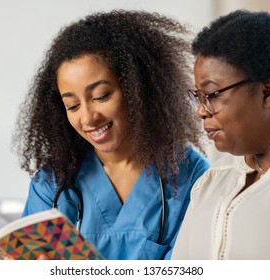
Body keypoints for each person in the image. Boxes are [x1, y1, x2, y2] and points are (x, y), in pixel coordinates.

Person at [12, 10, 210, 260]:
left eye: (101, 96)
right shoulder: (52, 184)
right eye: (73, 106)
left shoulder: (191, 177)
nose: (87, 118)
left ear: (136, 88)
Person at [172, 9, 270, 260]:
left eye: (212, 95)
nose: (200, 111)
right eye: (198, 96)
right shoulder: (213, 180)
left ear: (267, 92)